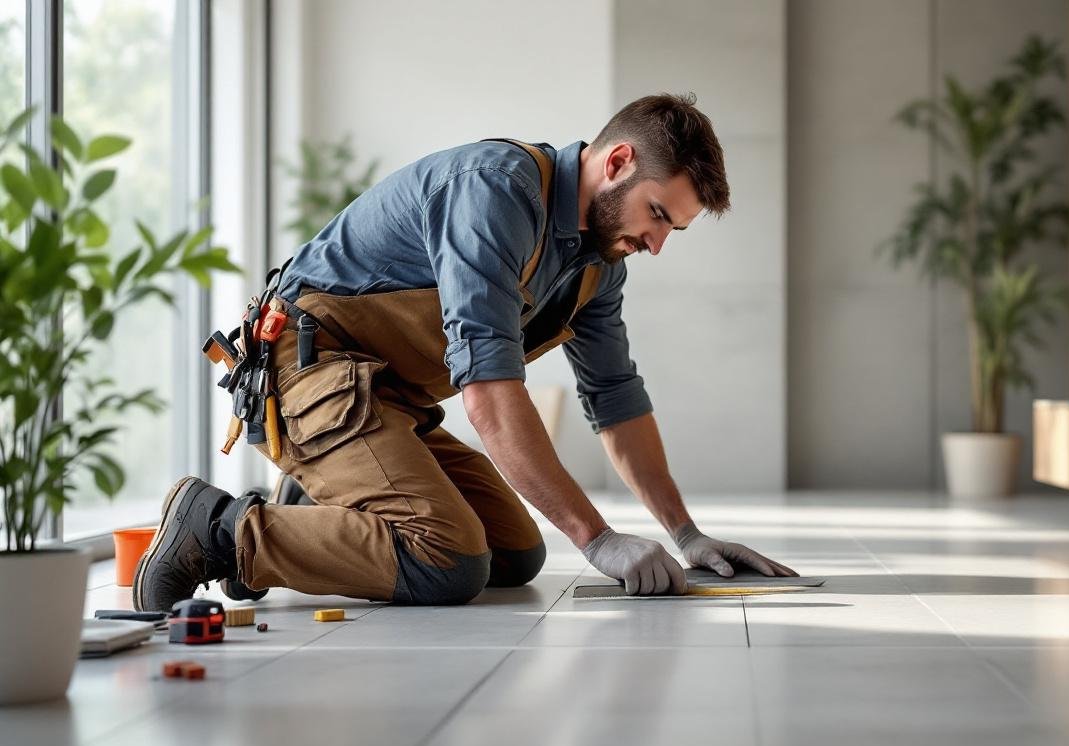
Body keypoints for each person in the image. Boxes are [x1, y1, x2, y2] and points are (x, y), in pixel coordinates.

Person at [134, 93, 796, 611]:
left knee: (513, 556)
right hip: (301, 375)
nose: (657, 243)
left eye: (672, 229)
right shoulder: (496, 190)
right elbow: (487, 396)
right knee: (446, 558)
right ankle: (217, 530)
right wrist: (597, 539)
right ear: (617, 162)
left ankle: (317, 506)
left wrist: (686, 535)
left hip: (377, 399)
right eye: (657, 215)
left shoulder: (597, 264)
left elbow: (617, 402)